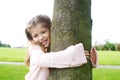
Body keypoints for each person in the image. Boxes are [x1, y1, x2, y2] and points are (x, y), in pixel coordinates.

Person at [24, 14, 98, 80]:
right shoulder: (34, 48)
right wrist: (74, 54)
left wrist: (90, 59)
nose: (40, 37)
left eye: (43, 32)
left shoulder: (49, 47)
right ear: (31, 38)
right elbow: (42, 60)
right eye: (35, 36)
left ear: (51, 30)